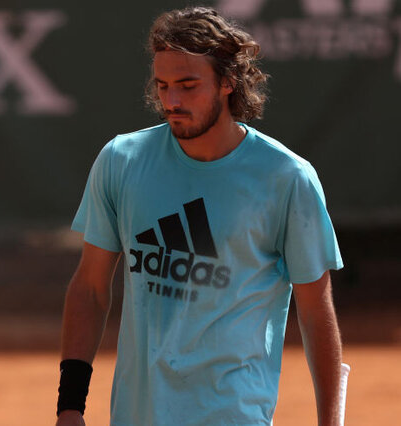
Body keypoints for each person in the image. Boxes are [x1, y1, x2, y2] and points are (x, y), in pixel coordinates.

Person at [56, 7, 343, 426]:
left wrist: (331, 423)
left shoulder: (287, 178)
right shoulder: (121, 161)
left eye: (188, 86)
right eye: (163, 86)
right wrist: (70, 405)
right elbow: (90, 289)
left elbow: (316, 310)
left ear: (228, 81)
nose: (171, 101)